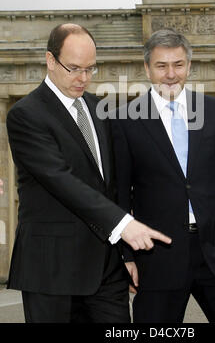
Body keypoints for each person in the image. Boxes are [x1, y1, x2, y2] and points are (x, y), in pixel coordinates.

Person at [6, 23, 171, 323]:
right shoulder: (25, 115)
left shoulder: (101, 109)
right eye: (74, 68)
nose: (84, 78)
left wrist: (126, 253)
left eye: (91, 69)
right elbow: (60, 179)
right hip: (51, 271)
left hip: (106, 270)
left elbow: (115, 185)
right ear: (50, 61)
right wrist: (125, 226)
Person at [110, 28, 215, 323]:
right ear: (146, 68)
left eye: (178, 65)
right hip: (157, 256)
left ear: (189, 66)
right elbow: (118, 196)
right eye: (161, 65)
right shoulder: (124, 119)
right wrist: (125, 256)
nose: (170, 74)